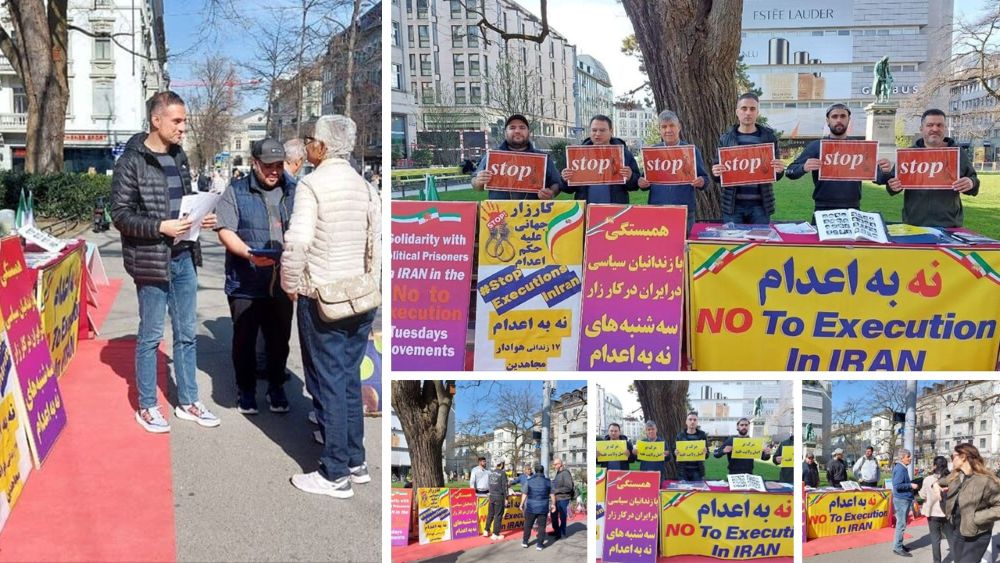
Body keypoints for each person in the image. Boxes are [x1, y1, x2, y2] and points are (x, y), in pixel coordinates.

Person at [281, 115, 379, 498]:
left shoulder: (311, 184)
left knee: (331, 382)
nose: (306, 147)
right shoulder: (366, 186)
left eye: (309, 140)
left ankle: (334, 471)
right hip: (360, 295)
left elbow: (298, 242)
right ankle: (355, 460)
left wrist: (290, 284)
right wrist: (372, 283)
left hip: (323, 296)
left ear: (321, 145)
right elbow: (376, 242)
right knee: (349, 379)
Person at [110, 90, 220, 432]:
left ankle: (188, 400)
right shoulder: (131, 161)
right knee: (151, 335)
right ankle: (146, 405)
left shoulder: (179, 156)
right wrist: (160, 226)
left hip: (184, 255)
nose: (183, 127)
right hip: (151, 259)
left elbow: (184, 201)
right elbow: (120, 215)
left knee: (186, 333)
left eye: (184, 120)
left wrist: (202, 218)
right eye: (177, 121)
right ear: (156, 120)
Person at [215, 138, 296, 415]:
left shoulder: (294, 190)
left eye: (278, 165)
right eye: (268, 166)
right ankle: (246, 390)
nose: (274, 171)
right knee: (244, 341)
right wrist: (248, 253)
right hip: (245, 282)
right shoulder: (236, 191)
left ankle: (276, 387)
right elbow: (225, 229)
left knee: (279, 341)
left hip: (282, 282)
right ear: (255, 164)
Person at [876, 109, 980, 227]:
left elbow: (974, 182)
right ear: (921, 129)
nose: (935, 129)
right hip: (914, 223)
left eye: (939, 125)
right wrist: (893, 186)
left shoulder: (957, 153)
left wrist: (971, 183)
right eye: (930, 125)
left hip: (949, 223)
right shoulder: (909, 154)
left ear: (945, 128)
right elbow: (892, 186)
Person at [784, 103, 893, 216]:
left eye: (843, 116)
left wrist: (885, 171)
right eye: (834, 117)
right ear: (828, 120)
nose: (839, 120)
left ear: (849, 119)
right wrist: (803, 167)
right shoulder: (816, 146)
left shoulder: (859, 147)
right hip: (822, 209)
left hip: (853, 209)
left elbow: (879, 178)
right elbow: (790, 172)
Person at [711, 92, 785, 224]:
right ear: (737, 112)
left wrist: (779, 170)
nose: (748, 113)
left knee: (760, 243)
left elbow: (776, 175)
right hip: (733, 206)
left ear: (757, 112)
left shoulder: (768, 138)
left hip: (760, 206)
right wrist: (716, 172)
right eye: (744, 108)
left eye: (752, 109)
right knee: (733, 244)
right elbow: (717, 177)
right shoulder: (726, 139)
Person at [637, 110, 709, 234]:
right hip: (657, 209)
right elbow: (644, 181)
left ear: (679, 127)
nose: (668, 130)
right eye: (664, 127)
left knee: (684, 248)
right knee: (658, 248)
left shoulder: (690, 150)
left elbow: (705, 179)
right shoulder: (653, 151)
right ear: (659, 129)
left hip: (684, 210)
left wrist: (701, 181)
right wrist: (641, 183)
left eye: (671, 126)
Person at [471, 114, 563, 200]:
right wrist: (478, 182)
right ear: (505, 132)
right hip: (499, 214)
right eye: (512, 127)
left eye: (522, 127)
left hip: (534, 214)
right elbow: (475, 182)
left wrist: (551, 193)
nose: (517, 131)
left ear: (528, 132)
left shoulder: (543, 158)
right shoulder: (493, 155)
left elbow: (556, 183)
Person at [935, 443, 1000, 563]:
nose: (951, 459)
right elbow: (940, 481)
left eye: (953, 456)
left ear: (963, 456)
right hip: (957, 532)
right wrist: (935, 485)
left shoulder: (985, 480)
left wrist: (976, 518)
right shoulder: (955, 476)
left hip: (977, 534)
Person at [561, 115, 641, 204]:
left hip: (615, 210)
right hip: (586, 210)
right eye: (594, 130)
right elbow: (568, 189)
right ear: (590, 131)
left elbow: (635, 185)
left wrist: (630, 177)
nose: (597, 134)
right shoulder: (578, 155)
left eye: (602, 130)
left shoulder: (624, 154)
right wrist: (565, 179)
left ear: (611, 131)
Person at [919, 455, 954, 563]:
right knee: (951, 538)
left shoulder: (928, 479)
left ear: (934, 466)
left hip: (933, 513)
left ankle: (937, 561)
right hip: (947, 512)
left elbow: (922, 496)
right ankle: (958, 559)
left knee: (935, 539)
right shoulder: (951, 478)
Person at [891, 449, 920, 557]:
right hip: (901, 500)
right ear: (902, 457)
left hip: (903, 499)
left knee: (901, 523)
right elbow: (897, 486)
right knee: (901, 524)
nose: (910, 458)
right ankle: (897, 547)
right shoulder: (900, 469)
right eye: (908, 456)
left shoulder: (902, 468)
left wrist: (909, 484)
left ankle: (899, 544)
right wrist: (910, 485)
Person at [520, 463, 554, 551]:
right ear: (543, 471)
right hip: (543, 508)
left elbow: (524, 493)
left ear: (535, 471)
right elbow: (552, 494)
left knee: (528, 525)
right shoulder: (548, 481)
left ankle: (525, 542)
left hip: (531, 507)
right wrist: (553, 504)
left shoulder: (529, 480)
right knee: (542, 526)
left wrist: (521, 504)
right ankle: (539, 544)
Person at [674, 411, 709, 481]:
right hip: (683, 471)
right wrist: (675, 453)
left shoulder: (702, 435)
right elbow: (674, 452)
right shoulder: (680, 436)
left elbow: (707, 455)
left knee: (697, 491)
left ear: (697, 422)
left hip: (698, 471)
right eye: (690, 419)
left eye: (695, 420)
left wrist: (706, 452)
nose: (692, 422)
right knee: (683, 491)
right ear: (686, 422)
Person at [550, 457, 574, 540]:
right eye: (554, 464)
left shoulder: (565, 473)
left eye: (555, 464)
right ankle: (557, 531)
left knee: (563, 517)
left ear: (560, 464)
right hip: (556, 498)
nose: (554, 466)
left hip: (564, 498)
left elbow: (569, 487)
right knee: (553, 515)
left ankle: (562, 533)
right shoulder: (558, 473)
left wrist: (556, 490)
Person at [485, 460, 509, 540]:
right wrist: (506, 497)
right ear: (501, 465)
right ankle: (495, 533)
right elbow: (505, 487)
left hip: (491, 496)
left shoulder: (491, 473)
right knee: (498, 515)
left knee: (490, 514)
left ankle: (486, 530)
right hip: (499, 496)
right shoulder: (502, 473)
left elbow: (489, 485)